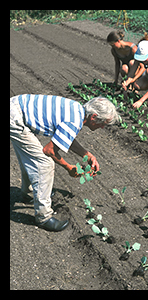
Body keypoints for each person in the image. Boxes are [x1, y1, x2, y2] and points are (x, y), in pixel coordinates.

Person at [10, 95, 119, 232]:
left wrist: (88, 155)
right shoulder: (74, 121)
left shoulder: (77, 110)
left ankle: (27, 193)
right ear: (94, 117)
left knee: (30, 157)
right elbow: (49, 150)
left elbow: (65, 137)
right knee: (45, 163)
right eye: (103, 123)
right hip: (15, 118)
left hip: (15, 107)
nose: (103, 127)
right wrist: (68, 167)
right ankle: (43, 217)